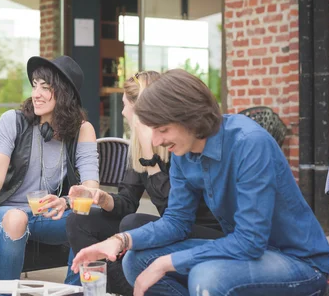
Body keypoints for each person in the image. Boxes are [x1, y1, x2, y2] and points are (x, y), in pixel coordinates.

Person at [72, 69, 329, 296]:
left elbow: (250, 241)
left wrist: (166, 263)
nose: (155, 142)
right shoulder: (184, 154)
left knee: (208, 276)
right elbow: (176, 221)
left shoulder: (249, 143)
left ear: (189, 117)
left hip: (298, 262)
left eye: (162, 130)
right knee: (135, 261)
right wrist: (120, 241)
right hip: (249, 254)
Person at [0, 55, 99, 284]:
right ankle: (7, 291)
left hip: (47, 214)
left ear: (64, 94)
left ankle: (73, 291)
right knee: (16, 218)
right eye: (35, 86)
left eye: (46, 87)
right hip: (4, 211)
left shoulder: (82, 130)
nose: (36, 94)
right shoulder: (13, 121)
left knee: (89, 218)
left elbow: (91, 186)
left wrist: (67, 202)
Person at [66, 71, 222, 295]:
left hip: (203, 231)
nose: (121, 112)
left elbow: (176, 211)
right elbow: (128, 201)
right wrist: (103, 198)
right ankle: (118, 288)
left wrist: (151, 160)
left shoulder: (181, 144)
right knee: (79, 222)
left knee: (132, 224)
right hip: (172, 226)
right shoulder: (137, 147)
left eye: (124, 105)